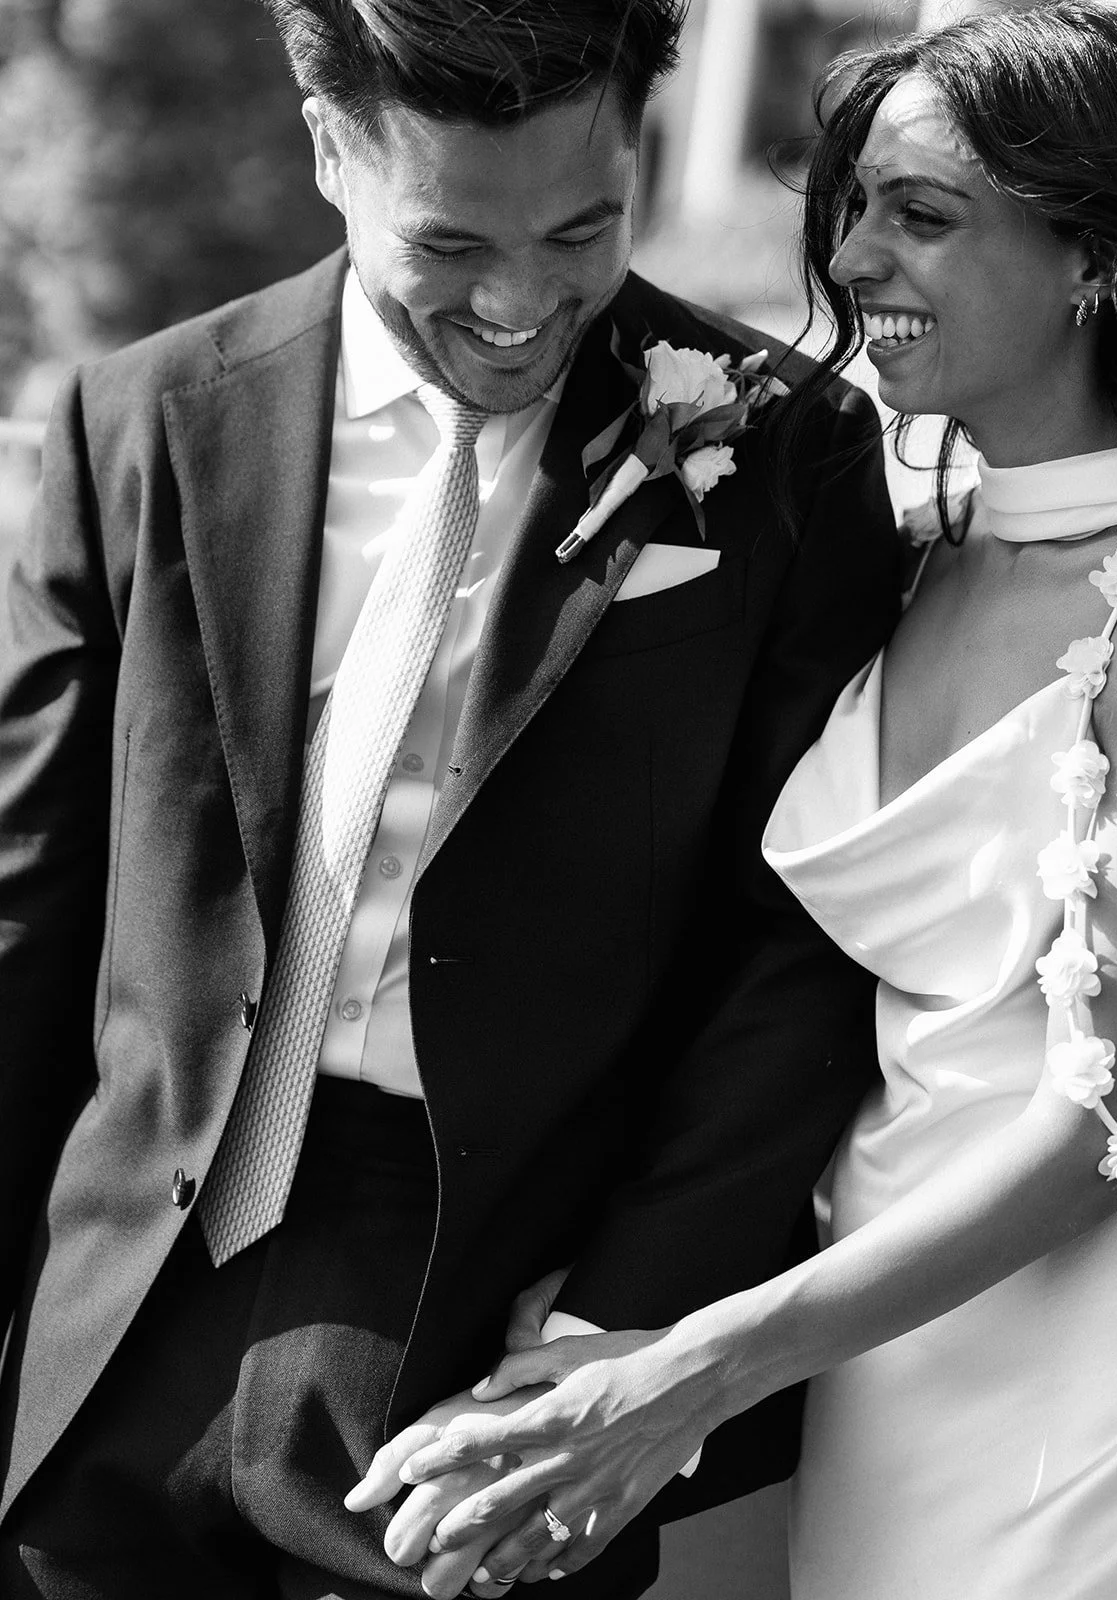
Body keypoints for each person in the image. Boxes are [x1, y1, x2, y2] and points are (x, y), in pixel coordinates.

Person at [0, 2, 900, 1596]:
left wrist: (609, 1337)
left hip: (490, 1312)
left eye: (582, 228)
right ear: (327, 144)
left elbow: (799, 944)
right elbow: (28, 900)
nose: (519, 303)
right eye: (449, 242)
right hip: (119, 1298)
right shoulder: (137, 419)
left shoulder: (786, 454)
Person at [366, 4, 1117, 1596]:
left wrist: (691, 1366)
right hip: (867, 1354)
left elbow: (1109, 1122)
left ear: (1095, 256)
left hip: (1079, 1385)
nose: (851, 262)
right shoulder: (912, 542)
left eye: (920, 215)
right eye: (849, 207)